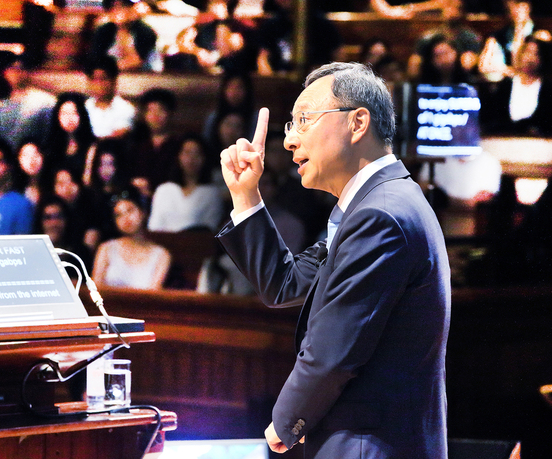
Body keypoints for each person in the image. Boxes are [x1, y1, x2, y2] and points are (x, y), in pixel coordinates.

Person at [217, 62, 450, 458]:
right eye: (289, 125)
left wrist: (287, 420)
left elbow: (334, 351)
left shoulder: (381, 215)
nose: (290, 140)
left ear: (358, 123)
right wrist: (245, 196)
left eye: (303, 120)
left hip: (368, 445)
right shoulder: (376, 203)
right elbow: (285, 284)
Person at [92, 187, 171, 290]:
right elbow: (95, 290)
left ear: (142, 212)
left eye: (130, 210)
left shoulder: (161, 255)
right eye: (118, 215)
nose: (125, 218)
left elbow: (153, 296)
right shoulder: (106, 249)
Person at [147, 134, 224, 232]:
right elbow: (154, 226)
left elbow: (209, 229)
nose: (191, 158)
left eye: (197, 153)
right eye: (187, 153)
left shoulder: (212, 193)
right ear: (178, 156)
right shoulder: (164, 189)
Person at [480, 35, 552, 137]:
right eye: (526, 52)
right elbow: (493, 118)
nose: (529, 59)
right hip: (505, 139)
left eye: (536, 54)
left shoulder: (547, 89)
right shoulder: (506, 85)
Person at [47, 91, 97, 185]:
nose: (69, 118)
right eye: (64, 113)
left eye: (74, 113)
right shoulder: (50, 146)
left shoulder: (92, 146)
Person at [84, 56, 137, 139]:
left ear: (114, 80)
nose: (99, 84)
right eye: (94, 79)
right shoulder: (84, 107)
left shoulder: (125, 108)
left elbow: (119, 136)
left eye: (104, 78)